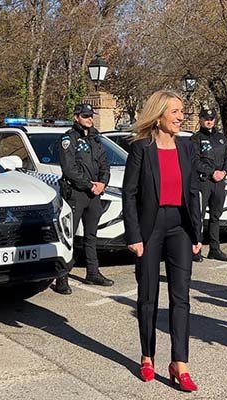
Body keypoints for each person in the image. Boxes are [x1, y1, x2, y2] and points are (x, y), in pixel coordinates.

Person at [122, 90, 202, 391]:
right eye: (176, 112)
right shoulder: (142, 148)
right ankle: (147, 356)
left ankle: (180, 364)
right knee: (148, 296)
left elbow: (192, 191)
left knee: (181, 298)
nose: (182, 116)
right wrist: (134, 235)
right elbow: (129, 194)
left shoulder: (186, 146)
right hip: (149, 228)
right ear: (159, 115)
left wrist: (197, 234)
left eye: (182, 111)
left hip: (179, 227)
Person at [52, 103, 112, 294]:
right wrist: (89, 184)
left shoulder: (95, 139)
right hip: (76, 193)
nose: (89, 119)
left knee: (91, 236)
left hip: (94, 194)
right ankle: (62, 277)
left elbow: (104, 164)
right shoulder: (69, 139)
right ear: (76, 117)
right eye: (85, 116)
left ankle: (92, 272)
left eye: (91, 116)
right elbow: (69, 169)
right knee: (68, 236)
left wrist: (103, 183)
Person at [191, 108, 227, 262]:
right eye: (205, 118)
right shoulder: (196, 139)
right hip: (204, 182)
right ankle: (196, 249)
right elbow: (195, 161)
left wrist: (224, 172)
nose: (209, 121)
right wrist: (211, 172)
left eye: (211, 118)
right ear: (200, 120)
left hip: (219, 181)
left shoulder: (221, 138)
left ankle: (215, 249)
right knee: (199, 217)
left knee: (216, 216)